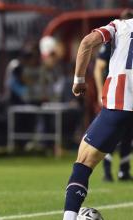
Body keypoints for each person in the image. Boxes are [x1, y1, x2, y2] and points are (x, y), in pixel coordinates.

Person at [63, 17, 133, 219]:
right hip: (119, 106)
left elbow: (86, 43)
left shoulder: (120, 26)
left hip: (119, 105)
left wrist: (78, 80)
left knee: (83, 163)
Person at [93, 10, 133, 182]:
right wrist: (100, 91)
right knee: (112, 134)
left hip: (126, 93)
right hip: (115, 92)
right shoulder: (115, 36)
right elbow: (99, 67)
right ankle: (108, 171)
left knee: (128, 134)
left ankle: (123, 170)